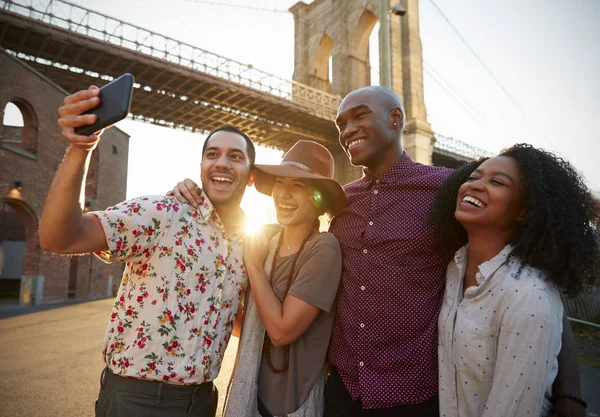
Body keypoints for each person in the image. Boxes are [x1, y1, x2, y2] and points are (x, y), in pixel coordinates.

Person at [169, 86, 585, 417]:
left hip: (416, 396)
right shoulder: (340, 204)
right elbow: (276, 235)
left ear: (396, 118)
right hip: (342, 393)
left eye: (359, 116)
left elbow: (535, 284)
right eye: (340, 123)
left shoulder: (446, 191)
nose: (346, 129)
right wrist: (194, 197)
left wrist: (570, 393)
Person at [38, 85, 256, 417]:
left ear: (250, 176)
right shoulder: (162, 213)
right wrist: (81, 149)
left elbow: (235, 321)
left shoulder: (249, 245)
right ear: (200, 166)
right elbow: (60, 238)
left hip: (202, 402)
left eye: (235, 156)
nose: (222, 163)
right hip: (136, 400)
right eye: (212, 154)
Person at [429, 144, 598, 416]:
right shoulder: (454, 268)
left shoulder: (528, 294)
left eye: (497, 182)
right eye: (473, 177)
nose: (475, 185)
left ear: (524, 211)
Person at [223, 140, 346, 417]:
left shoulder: (324, 248)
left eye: (298, 186)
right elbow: (248, 325)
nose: (284, 194)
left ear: (319, 198)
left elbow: (280, 332)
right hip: (252, 396)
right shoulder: (266, 242)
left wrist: (253, 267)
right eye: (280, 182)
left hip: (292, 405)